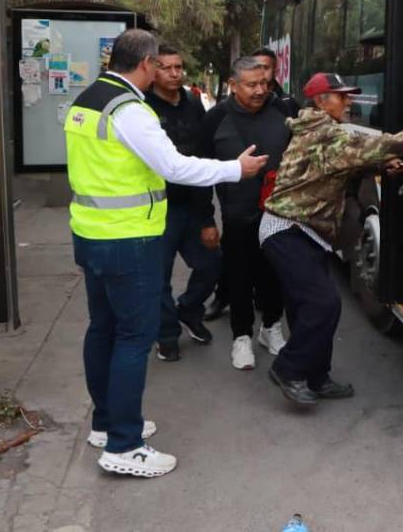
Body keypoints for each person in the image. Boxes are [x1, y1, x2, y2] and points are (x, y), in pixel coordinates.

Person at [66, 30, 266, 478]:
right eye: (159, 64)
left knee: (102, 329)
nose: (162, 71)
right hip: (128, 239)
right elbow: (174, 166)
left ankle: (106, 423)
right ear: (146, 64)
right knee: (133, 338)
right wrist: (237, 168)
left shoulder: (87, 99)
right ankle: (124, 445)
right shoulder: (130, 110)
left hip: (91, 233)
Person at [260, 72, 403, 406]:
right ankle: (288, 369)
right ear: (321, 101)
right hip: (287, 228)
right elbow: (369, 146)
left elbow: (343, 165)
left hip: (308, 231)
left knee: (307, 308)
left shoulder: (323, 131)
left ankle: (317, 377)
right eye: (342, 96)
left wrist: (381, 165)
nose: (350, 101)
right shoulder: (324, 132)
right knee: (324, 304)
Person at [199, 56, 294, 370]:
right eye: (251, 84)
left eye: (264, 83)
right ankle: (241, 338)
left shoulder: (283, 112)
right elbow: (197, 173)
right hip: (237, 217)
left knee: (274, 276)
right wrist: (206, 220)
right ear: (233, 85)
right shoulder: (215, 119)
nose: (259, 90)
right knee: (239, 278)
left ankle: (271, 328)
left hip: (278, 215)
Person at [144, 45, 222, 361]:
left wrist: (207, 217)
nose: (175, 73)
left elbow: (203, 156)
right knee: (158, 277)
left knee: (213, 264)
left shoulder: (192, 103)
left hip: (193, 205)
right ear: (152, 69)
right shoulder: (141, 107)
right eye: (166, 67)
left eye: (179, 67)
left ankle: (189, 311)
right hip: (157, 208)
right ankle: (166, 334)